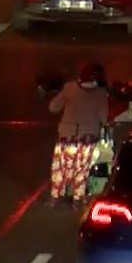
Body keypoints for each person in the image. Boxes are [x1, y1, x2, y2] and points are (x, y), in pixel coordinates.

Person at [47, 62, 110, 205]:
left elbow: (53, 107)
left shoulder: (69, 88)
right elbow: (103, 118)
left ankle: (54, 198)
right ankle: (77, 199)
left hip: (67, 135)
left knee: (60, 167)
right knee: (81, 169)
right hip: (87, 137)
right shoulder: (101, 94)